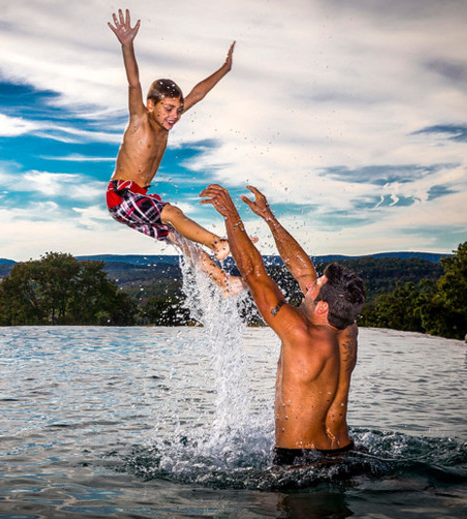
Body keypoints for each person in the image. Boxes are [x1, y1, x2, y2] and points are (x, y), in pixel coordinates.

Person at [199, 184, 365, 465]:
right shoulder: (347, 328)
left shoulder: (301, 334)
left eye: (317, 286)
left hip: (300, 461)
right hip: (344, 451)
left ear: (322, 307)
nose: (309, 285)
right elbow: (302, 270)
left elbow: (253, 274)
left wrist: (231, 215)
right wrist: (268, 216)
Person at [106, 8, 243, 294]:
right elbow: (134, 82)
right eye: (168, 109)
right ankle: (218, 243)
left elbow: (198, 94)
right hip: (122, 195)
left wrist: (225, 69)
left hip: (138, 198)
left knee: (181, 240)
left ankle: (224, 283)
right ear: (151, 105)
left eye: (178, 110)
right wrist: (127, 45)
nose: (174, 116)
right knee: (172, 213)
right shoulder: (139, 121)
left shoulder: (166, 125)